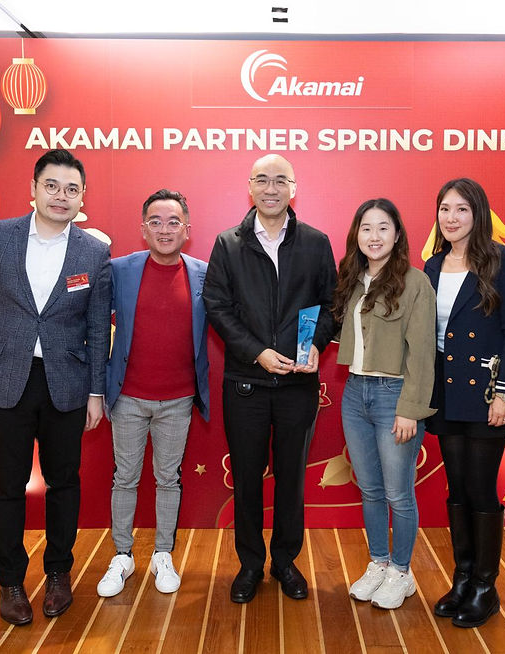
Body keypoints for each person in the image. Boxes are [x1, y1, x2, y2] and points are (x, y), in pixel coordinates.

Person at [0, 149, 111, 625]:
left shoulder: (93, 250)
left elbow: (95, 324)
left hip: (66, 384)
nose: (61, 196)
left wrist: (95, 392)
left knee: (64, 482)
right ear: (33, 188)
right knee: (7, 483)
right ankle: (9, 581)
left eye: (71, 189)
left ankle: (58, 574)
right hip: (7, 379)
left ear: (82, 196)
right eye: (52, 186)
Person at [202, 154, 338, 603]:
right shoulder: (228, 243)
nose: (272, 188)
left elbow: (331, 304)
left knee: (291, 478)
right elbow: (217, 307)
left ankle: (284, 562)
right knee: (246, 478)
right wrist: (257, 353)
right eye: (262, 180)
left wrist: (317, 343)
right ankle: (249, 565)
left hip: (299, 385)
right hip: (246, 383)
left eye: (281, 180)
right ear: (250, 187)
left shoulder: (316, 243)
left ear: (293, 188)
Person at [423, 177, 505, 628]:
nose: (451, 218)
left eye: (461, 209)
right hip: (446, 393)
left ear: (477, 214)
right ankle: (463, 577)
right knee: (458, 487)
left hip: (488, 392)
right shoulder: (430, 266)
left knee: (482, 488)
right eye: (445, 209)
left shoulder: (499, 260)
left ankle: (486, 587)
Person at [96, 189, 209, 598]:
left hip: (178, 400)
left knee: (168, 479)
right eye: (156, 222)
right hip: (127, 397)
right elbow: (91, 321)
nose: (165, 229)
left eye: (173, 222)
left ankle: (164, 552)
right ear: (143, 229)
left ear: (187, 230)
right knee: (124, 478)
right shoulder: (119, 270)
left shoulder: (203, 273)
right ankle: (122, 555)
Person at [332, 199, 436, 609]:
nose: (374, 237)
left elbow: (424, 353)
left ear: (397, 234)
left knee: (398, 493)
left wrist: (410, 408)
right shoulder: (353, 281)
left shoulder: (415, 283)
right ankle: (378, 563)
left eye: (383, 228)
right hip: (355, 394)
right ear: (356, 235)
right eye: (366, 228)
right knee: (370, 490)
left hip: (395, 396)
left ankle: (401, 571)